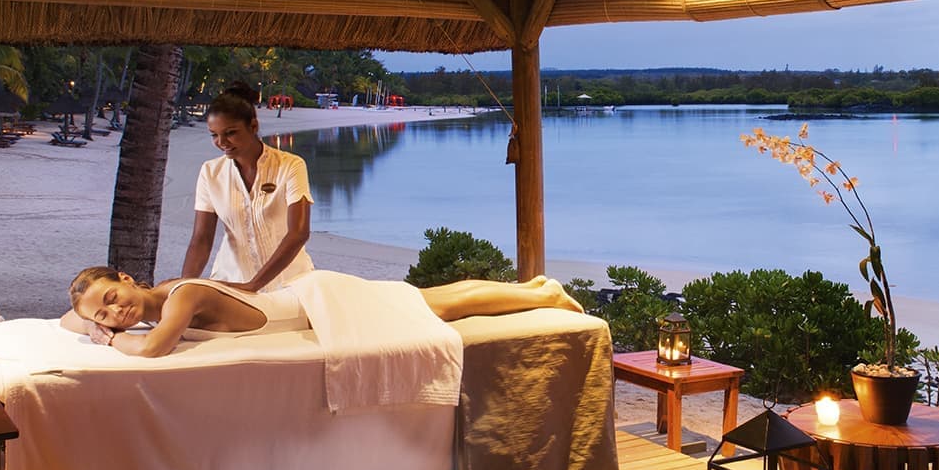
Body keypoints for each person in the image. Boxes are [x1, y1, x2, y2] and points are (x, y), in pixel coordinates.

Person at [63, 266, 584, 358]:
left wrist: (108, 338)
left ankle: (545, 297)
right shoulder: (161, 297)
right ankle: (531, 288)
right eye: (103, 316)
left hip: (318, 302)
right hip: (308, 305)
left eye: (111, 298)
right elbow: (69, 319)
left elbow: (153, 350)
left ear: (126, 279)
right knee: (433, 297)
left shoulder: (180, 298)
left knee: (438, 306)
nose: (115, 313)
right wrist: (90, 320)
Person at [182, 82, 314, 292]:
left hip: (291, 285)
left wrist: (254, 285)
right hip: (231, 281)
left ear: (253, 126)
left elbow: (298, 233)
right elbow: (201, 239)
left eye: (230, 133)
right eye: (214, 135)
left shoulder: (290, 165)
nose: (221, 142)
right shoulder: (210, 172)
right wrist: (183, 287)